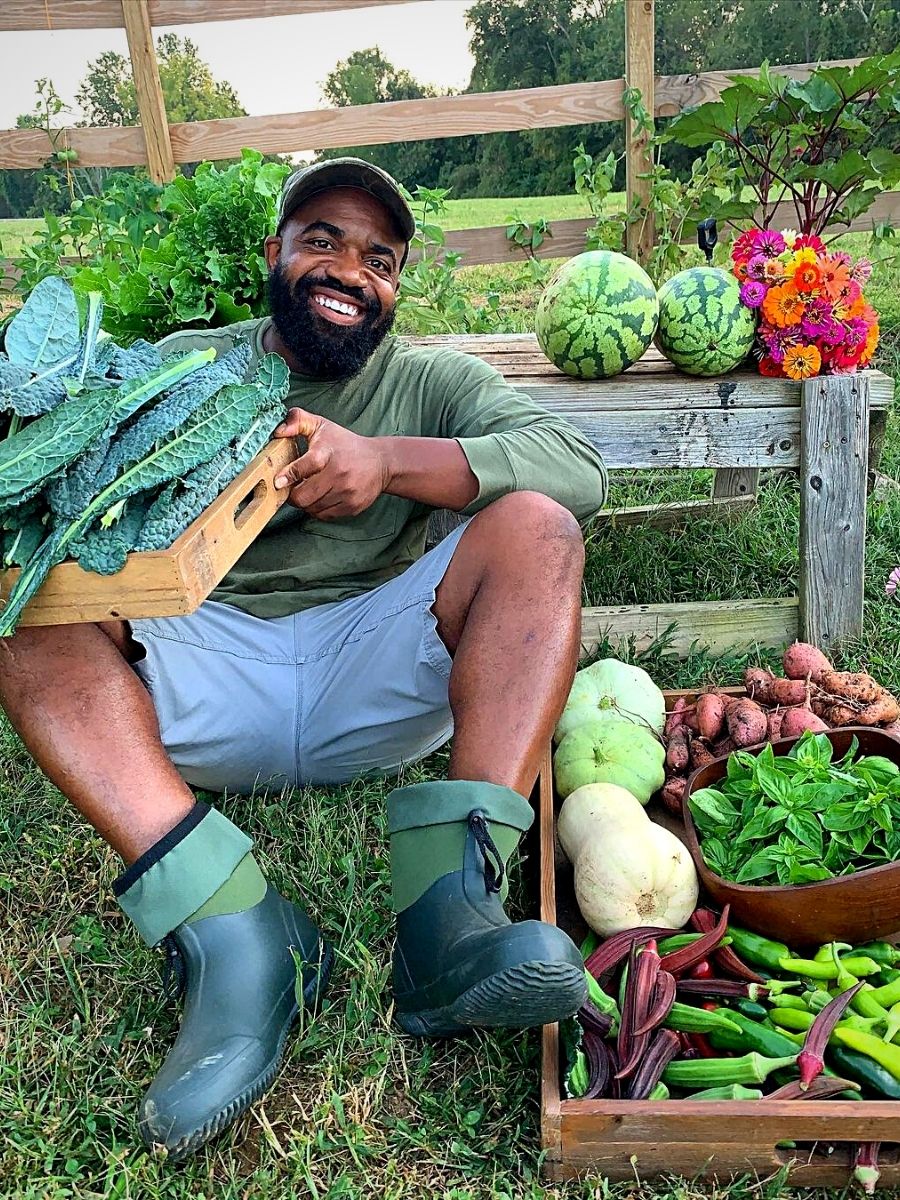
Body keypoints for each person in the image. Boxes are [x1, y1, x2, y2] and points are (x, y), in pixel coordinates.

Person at [0, 158, 608, 1159]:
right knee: (25, 598)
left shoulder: (431, 380)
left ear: (397, 287)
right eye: (322, 237)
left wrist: (387, 462)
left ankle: (447, 914)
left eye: (380, 257)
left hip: (378, 662)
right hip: (194, 672)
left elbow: (575, 465)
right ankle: (236, 932)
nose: (350, 268)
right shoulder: (185, 366)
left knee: (540, 528)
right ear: (273, 253)